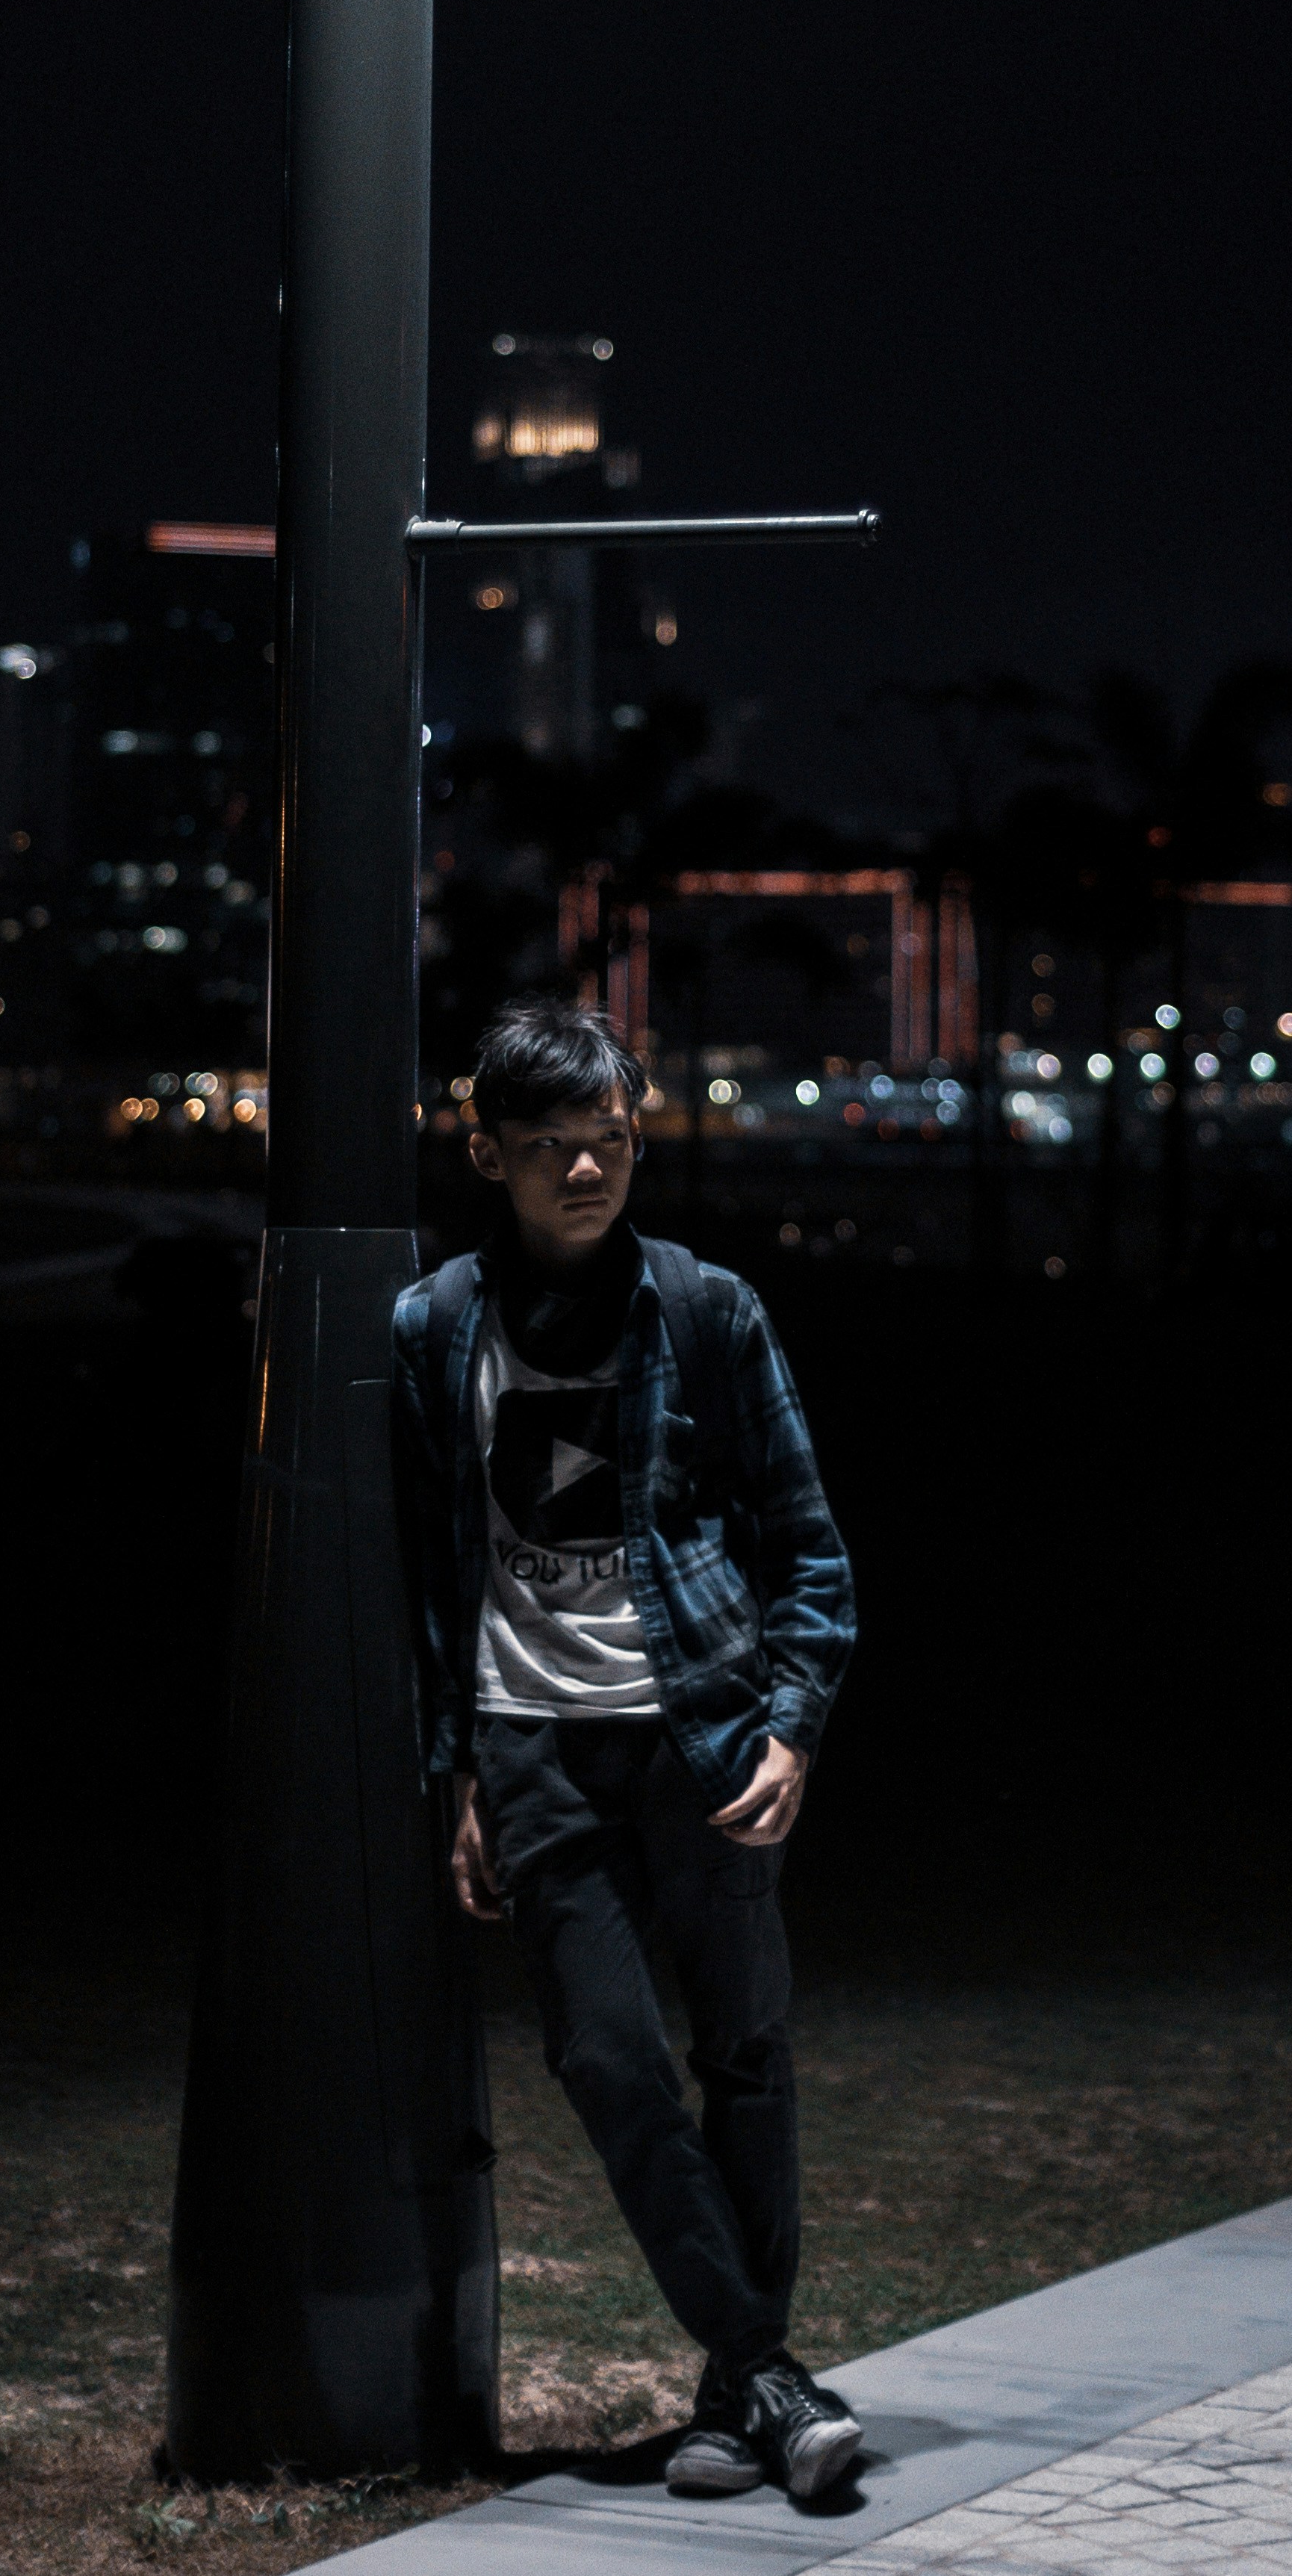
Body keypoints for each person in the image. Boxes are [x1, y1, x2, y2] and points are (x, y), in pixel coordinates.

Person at [391, 997, 862, 2507]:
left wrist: (791, 1723)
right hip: (533, 1753)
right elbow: (427, 1576)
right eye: (549, 1149)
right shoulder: (435, 1328)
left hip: (703, 1739)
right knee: (604, 2058)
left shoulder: (706, 1309)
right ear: (486, 1155)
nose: (587, 1171)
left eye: (609, 1139)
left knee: (743, 2057)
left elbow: (806, 1543)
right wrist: (460, 1770)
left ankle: (736, 2394)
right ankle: (767, 2370)